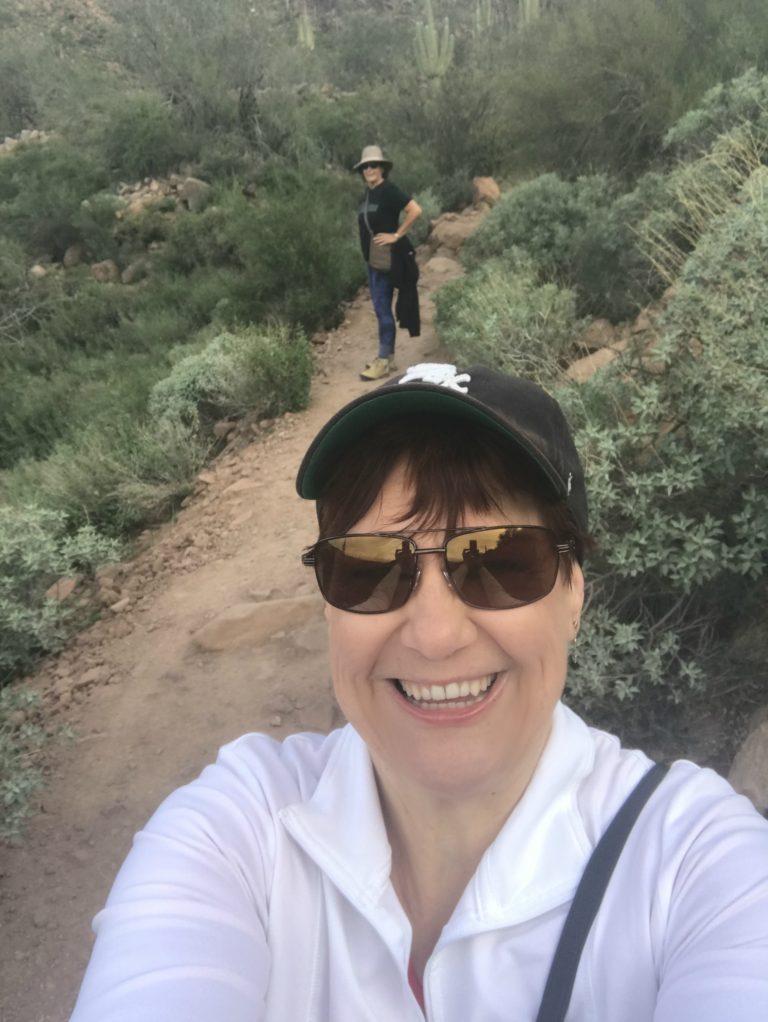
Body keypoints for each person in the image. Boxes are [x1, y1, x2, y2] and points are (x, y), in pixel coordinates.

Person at [70, 362, 768, 1021]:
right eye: (368, 568)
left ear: (574, 592)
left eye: (501, 560)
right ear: (329, 608)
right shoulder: (241, 832)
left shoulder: (698, 866)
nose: (435, 634)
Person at [354, 144, 422, 381]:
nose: (369, 169)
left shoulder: (389, 190)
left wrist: (396, 235)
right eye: (365, 166)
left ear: (382, 169)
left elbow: (415, 210)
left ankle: (383, 361)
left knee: (383, 308)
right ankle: (387, 358)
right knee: (379, 308)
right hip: (372, 260)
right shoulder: (368, 193)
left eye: (374, 165)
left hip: (386, 259)